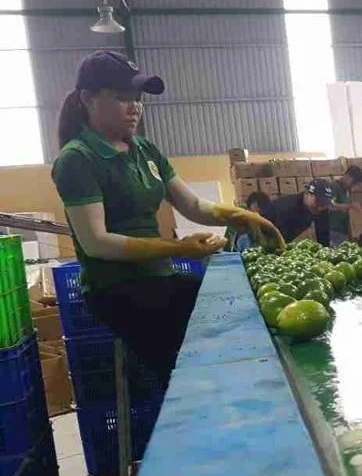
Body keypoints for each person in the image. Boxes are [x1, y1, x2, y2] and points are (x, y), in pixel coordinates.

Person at [51, 50, 283, 383]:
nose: (135, 107)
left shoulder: (144, 150)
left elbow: (193, 205)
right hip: (117, 289)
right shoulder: (77, 159)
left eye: (138, 98)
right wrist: (178, 248)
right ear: (88, 99)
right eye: (122, 97)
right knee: (190, 366)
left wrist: (242, 216)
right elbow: (97, 243)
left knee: (240, 306)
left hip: (159, 277)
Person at [316, 165, 362, 246]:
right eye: (352, 182)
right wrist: (349, 206)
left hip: (342, 231)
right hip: (332, 231)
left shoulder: (346, 190)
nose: (352, 186)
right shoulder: (333, 187)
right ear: (347, 176)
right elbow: (329, 206)